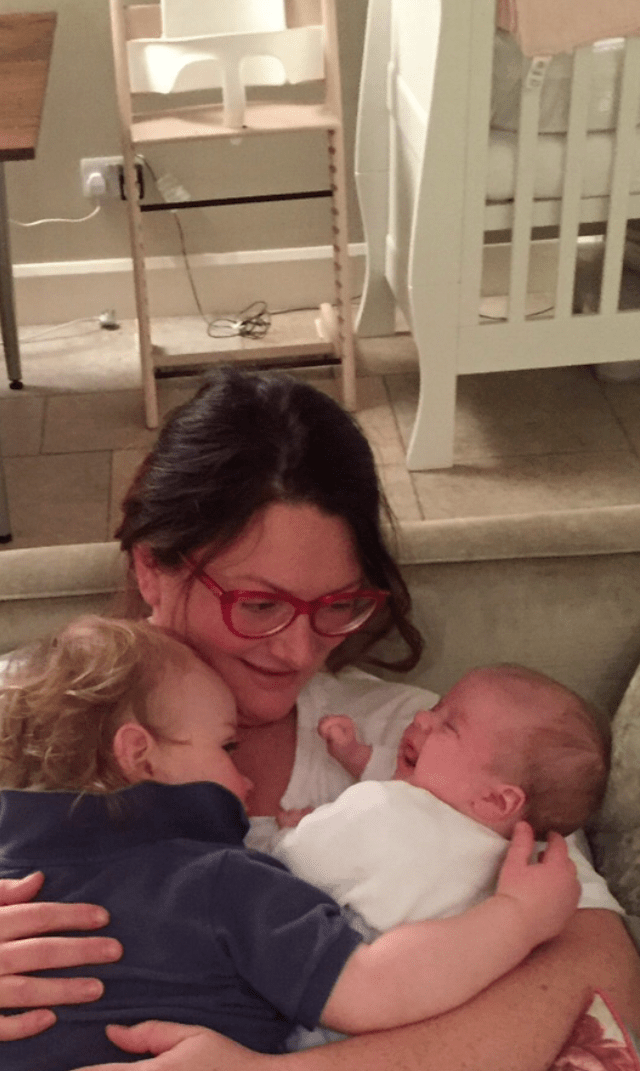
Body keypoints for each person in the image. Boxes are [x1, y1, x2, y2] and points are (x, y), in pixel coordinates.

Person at [0, 369, 639, 1071]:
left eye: (337, 605)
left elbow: (599, 974)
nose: (298, 650)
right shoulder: (18, 713)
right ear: (152, 567)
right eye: (260, 604)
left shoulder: (423, 744)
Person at [0, 616, 579, 1070]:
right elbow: (375, 987)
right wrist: (518, 915)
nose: (246, 781)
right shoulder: (222, 881)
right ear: (140, 755)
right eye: (227, 748)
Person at [276, 665, 614, 934]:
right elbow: (409, 776)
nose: (422, 716)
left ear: (496, 801)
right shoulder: (514, 867)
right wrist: (355, 754)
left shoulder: (386, 809)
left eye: (449, 726)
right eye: (437, 707)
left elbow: (296, 863)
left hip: (352, 954)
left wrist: (298, 830)